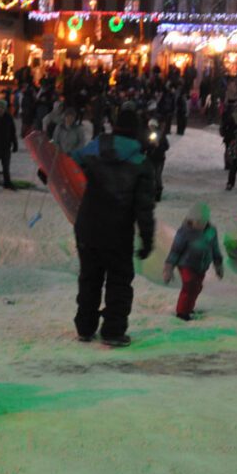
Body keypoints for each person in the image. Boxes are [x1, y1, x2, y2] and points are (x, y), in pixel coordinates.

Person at [69, 109, 156, 346]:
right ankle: (113, 331)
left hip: (88, 225)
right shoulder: (141, 162)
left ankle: (85, 328)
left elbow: (68, 163)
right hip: (118, 232)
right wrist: (147, 239)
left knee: (89, 277)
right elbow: (144, 208)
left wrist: (50, 171)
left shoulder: (96, 147)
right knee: (118, 281)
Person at [163, 202, 224, 321]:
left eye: (202, 222)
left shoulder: (211, 231)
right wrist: (169, 268)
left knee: (197, 287)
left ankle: (188, 308)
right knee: (189, 286)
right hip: (186, 265)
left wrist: (218, 264)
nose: (198, 224)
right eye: (196, 222)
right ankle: (181, 313)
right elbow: (175, 250)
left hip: (202, 266)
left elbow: (215, 248)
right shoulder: (185, 232)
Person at [144, 119, 170, 202]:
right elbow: (145, 146)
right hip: (151, 158)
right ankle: (151, 192)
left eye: (152, 126)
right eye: (149, 126)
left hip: (158, 158)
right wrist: (149, 144)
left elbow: (166, 147)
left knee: (157, 176)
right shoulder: (148, 134)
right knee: (151, 175)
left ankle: (157, 193)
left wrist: (158, 145)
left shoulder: (161, 135)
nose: (150, 127)